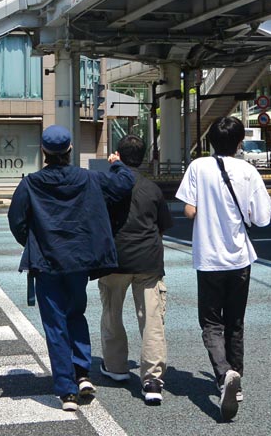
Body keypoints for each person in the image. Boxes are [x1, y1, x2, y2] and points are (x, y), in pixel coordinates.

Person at [8, 125, 135, 413]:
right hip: (79, 261)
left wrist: (33, 241)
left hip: (46, 263)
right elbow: (123, 185)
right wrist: (117, 165)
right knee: (76, 314)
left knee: (55, 324)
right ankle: (82, 374)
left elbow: (16, 220)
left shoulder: (31, 184)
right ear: (69, 151)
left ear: (43, 152)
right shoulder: (88, 178)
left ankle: (66, 390)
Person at [175, 116, 271, 421]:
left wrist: (203, 209)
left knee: (211, 322)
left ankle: (223, 374)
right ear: (240, 141)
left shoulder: (198, 167)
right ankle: (236, 378)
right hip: (240, 258)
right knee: (235, 321)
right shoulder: (248, 171)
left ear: (210, 141)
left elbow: (188, 209)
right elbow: (262, 218)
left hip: (209, 258)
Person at [98, 135, 173, 405]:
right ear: (141, 158)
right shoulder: (152, 189)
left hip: (114, 259)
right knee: (152, 319)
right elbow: (163, 225)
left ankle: (115, 366)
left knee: (111, 313)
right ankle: (152, 379)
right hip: (148, 261)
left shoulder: (108, 185)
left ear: (117, 155)